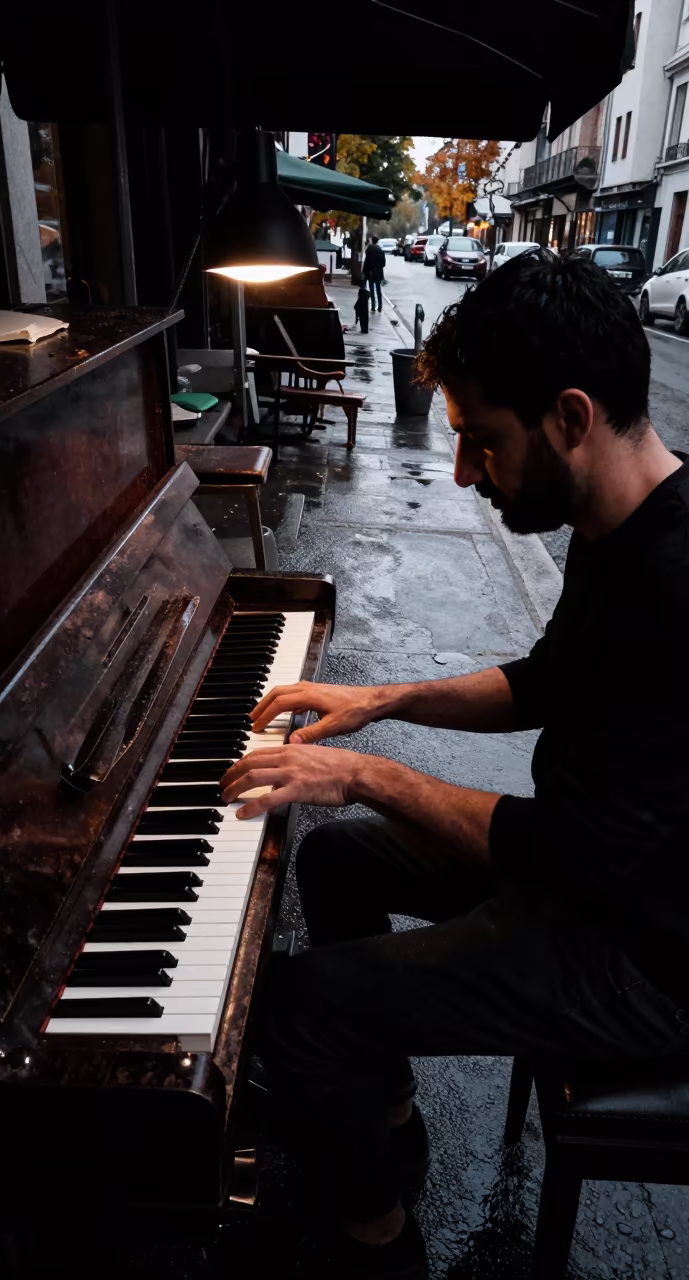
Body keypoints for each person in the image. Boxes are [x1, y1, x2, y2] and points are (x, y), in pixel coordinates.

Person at [221, 250, 689, 1280]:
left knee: (301, 1004)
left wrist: (368, 773)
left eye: (482, 439)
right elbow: (546, 679)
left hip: (646, 958)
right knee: (335, 862)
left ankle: (378, 1244)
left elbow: (574, 854)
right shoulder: (616, 516)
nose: (465, 473)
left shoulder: (675, 585)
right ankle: (386, 1111)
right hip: (591, 877)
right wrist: (382, 701)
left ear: (571, 417)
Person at [363, 235, 386, 312]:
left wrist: (365, 272)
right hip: (378, 273)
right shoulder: (381, 251)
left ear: (372, 241)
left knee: (372, 290)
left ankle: (373, 305)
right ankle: (380, 306)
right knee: (378, 290)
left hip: (370, 273)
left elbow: (366, 262)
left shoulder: (369, 251)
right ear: (377, 242)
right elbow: (383, 263)